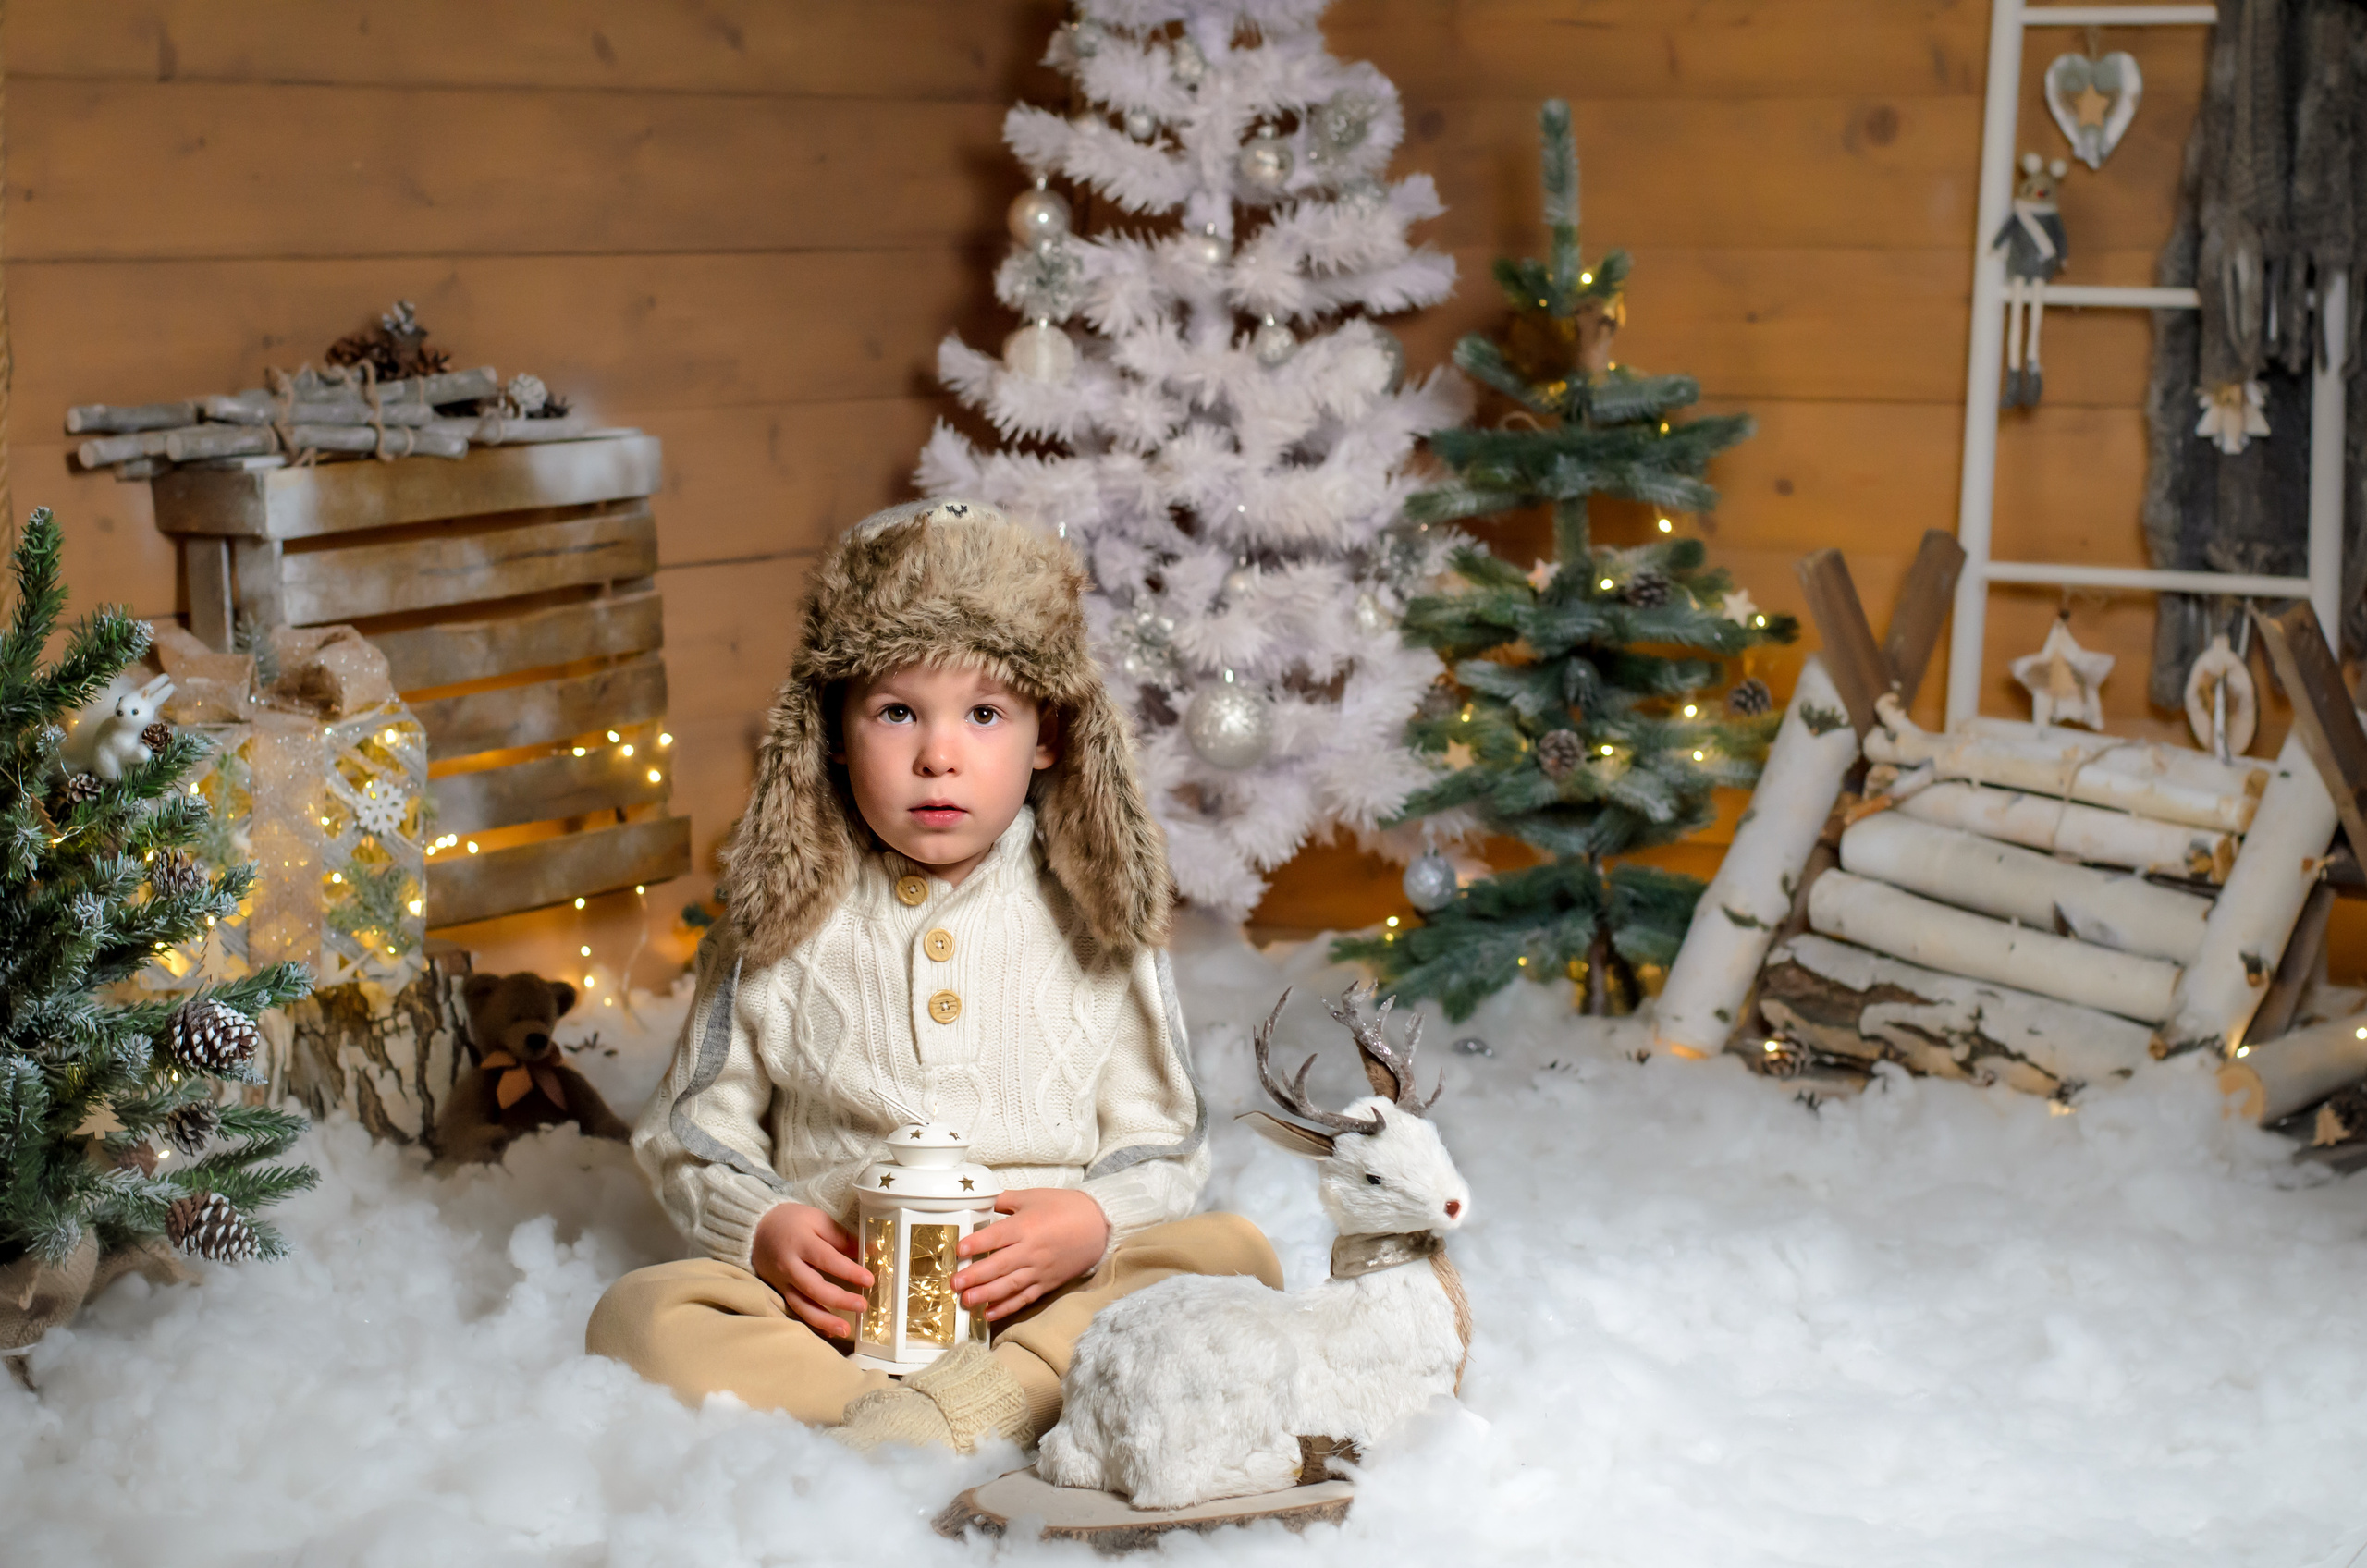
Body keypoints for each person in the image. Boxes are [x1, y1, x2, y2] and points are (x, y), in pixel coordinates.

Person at [585, 498, 1282, 1453]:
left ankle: (1001, 1390)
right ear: (830, 727)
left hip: (1044, 1297)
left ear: (1049, 736)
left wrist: (1091, 1219)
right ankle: (876, 1411)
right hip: (840, 1311)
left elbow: (1163, 1138)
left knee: (1231, 1256)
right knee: (640, 1313)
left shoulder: (1094, 908)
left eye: (985, 713)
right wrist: (765, 1228)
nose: (938, 755)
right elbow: (689, 1124)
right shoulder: (782, 912)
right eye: (897, 711)